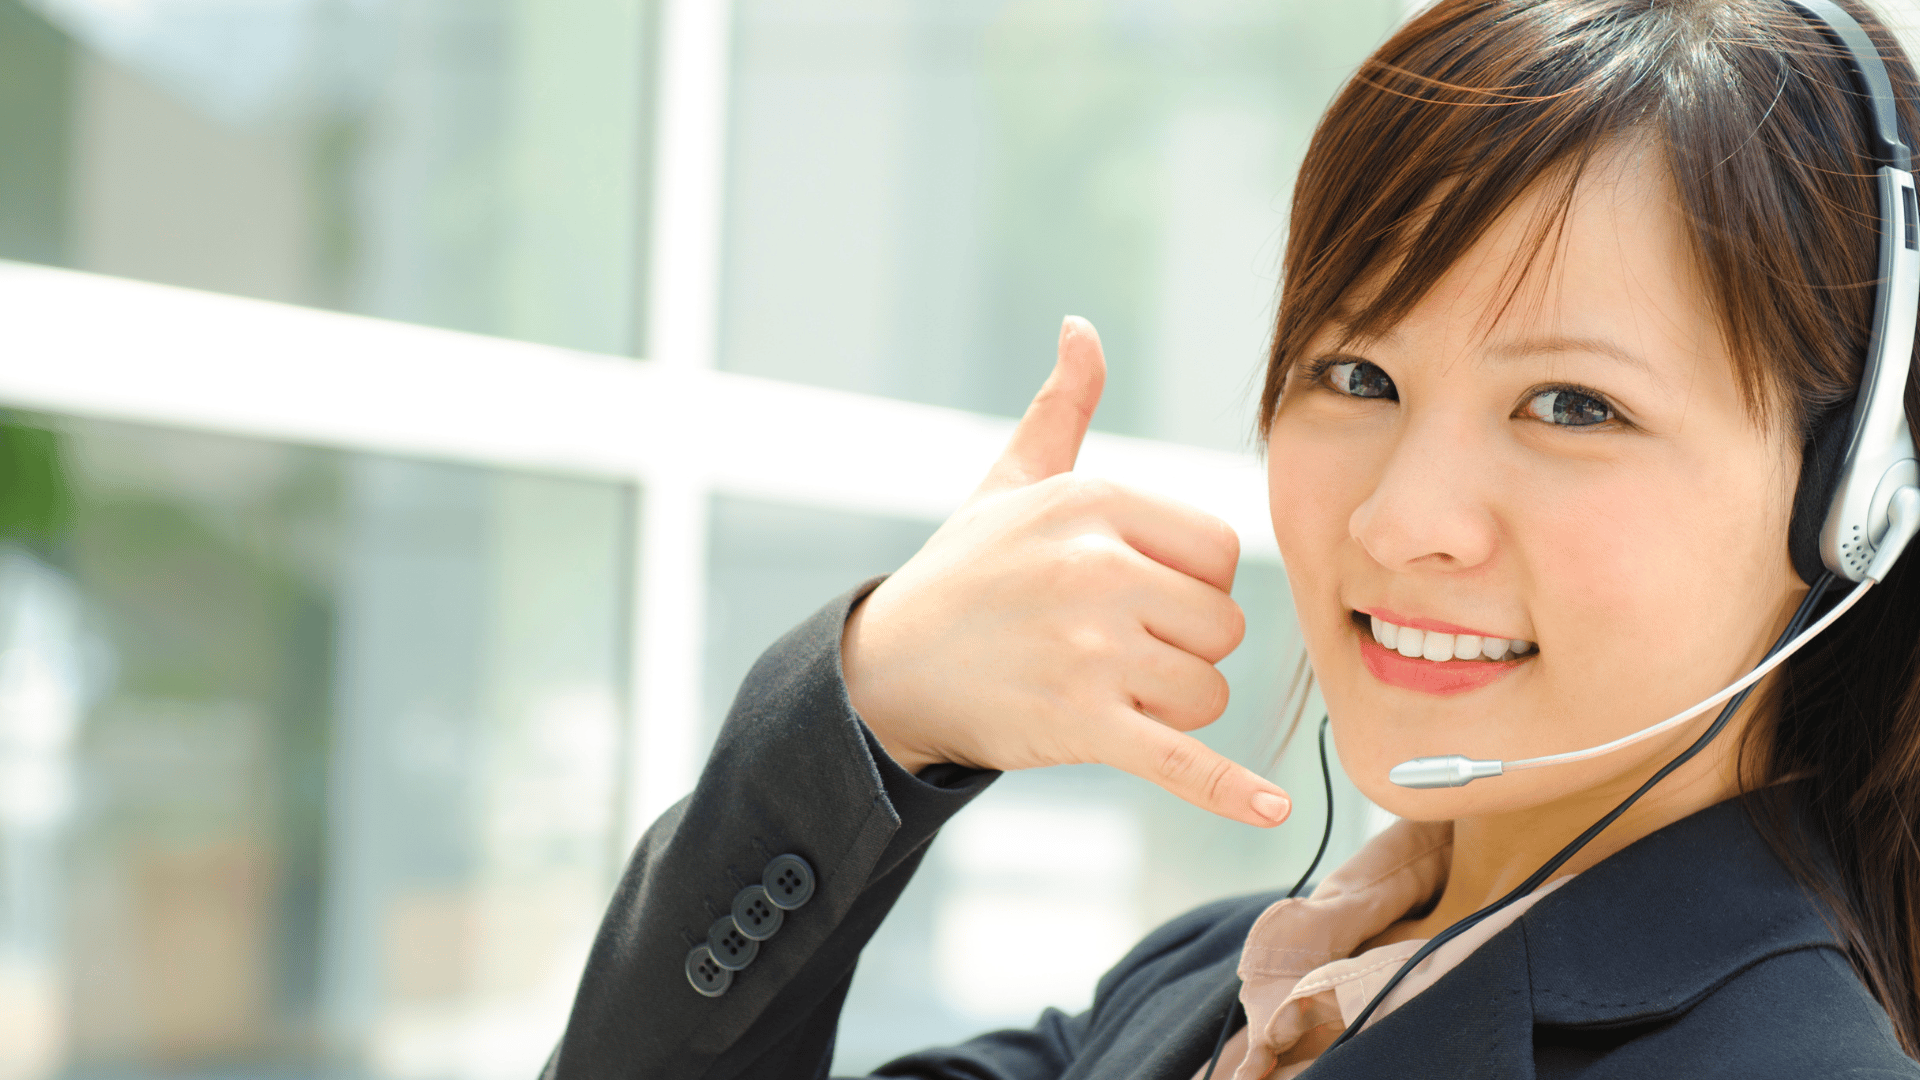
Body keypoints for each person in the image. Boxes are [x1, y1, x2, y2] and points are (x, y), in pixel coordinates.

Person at [541, 0, 1920, 1076]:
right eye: (1357, 378)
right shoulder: (1219, 987)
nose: (1399, 521)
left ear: (1847, 496)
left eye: (1572, 405)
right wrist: (869, 707)